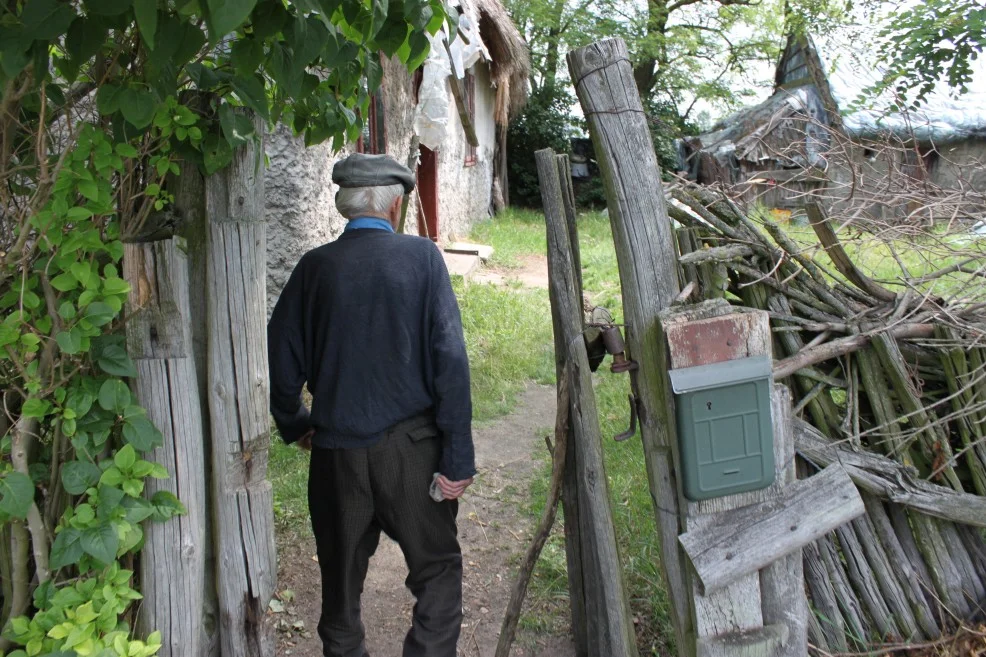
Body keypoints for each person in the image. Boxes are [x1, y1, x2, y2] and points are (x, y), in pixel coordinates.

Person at [267, 153, 476, 657]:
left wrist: (296, 424)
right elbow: (449, 359)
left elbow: (279, 353)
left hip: (337, 455)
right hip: (411, 450)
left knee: (339, 587)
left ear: (345, 204)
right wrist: (457, 460)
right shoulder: (422, 258)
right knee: (437, 571)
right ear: (396, 204)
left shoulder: (314, 268)